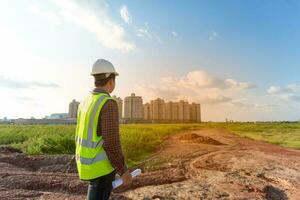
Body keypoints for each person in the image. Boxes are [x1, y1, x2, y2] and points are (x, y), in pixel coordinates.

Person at [75, 59, 132, 200]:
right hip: (102, 168)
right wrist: (123, 171)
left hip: (85, 164)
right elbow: (111, 142)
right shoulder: (108, 103)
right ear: (111, 81)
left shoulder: (85, 102)